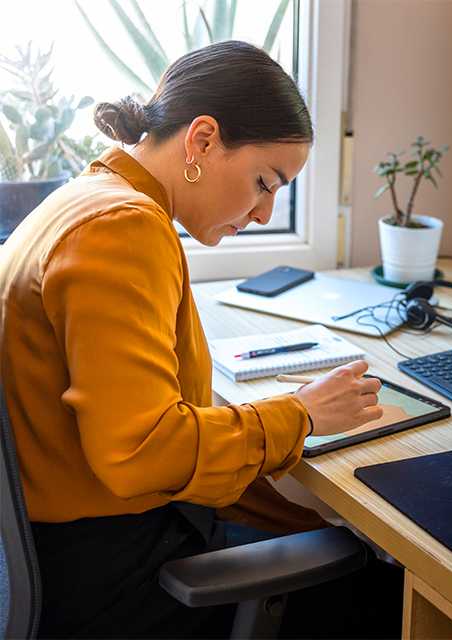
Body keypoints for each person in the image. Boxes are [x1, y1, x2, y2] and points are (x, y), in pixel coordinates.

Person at [0, 40, 400, 638]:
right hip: (112, 575)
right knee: (389, 590)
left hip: (58, 549)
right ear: (203, 140)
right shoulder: (124, 228)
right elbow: (140, 452)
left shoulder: (89, 198)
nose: (265, 212)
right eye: (265, 181)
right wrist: (301, 416)